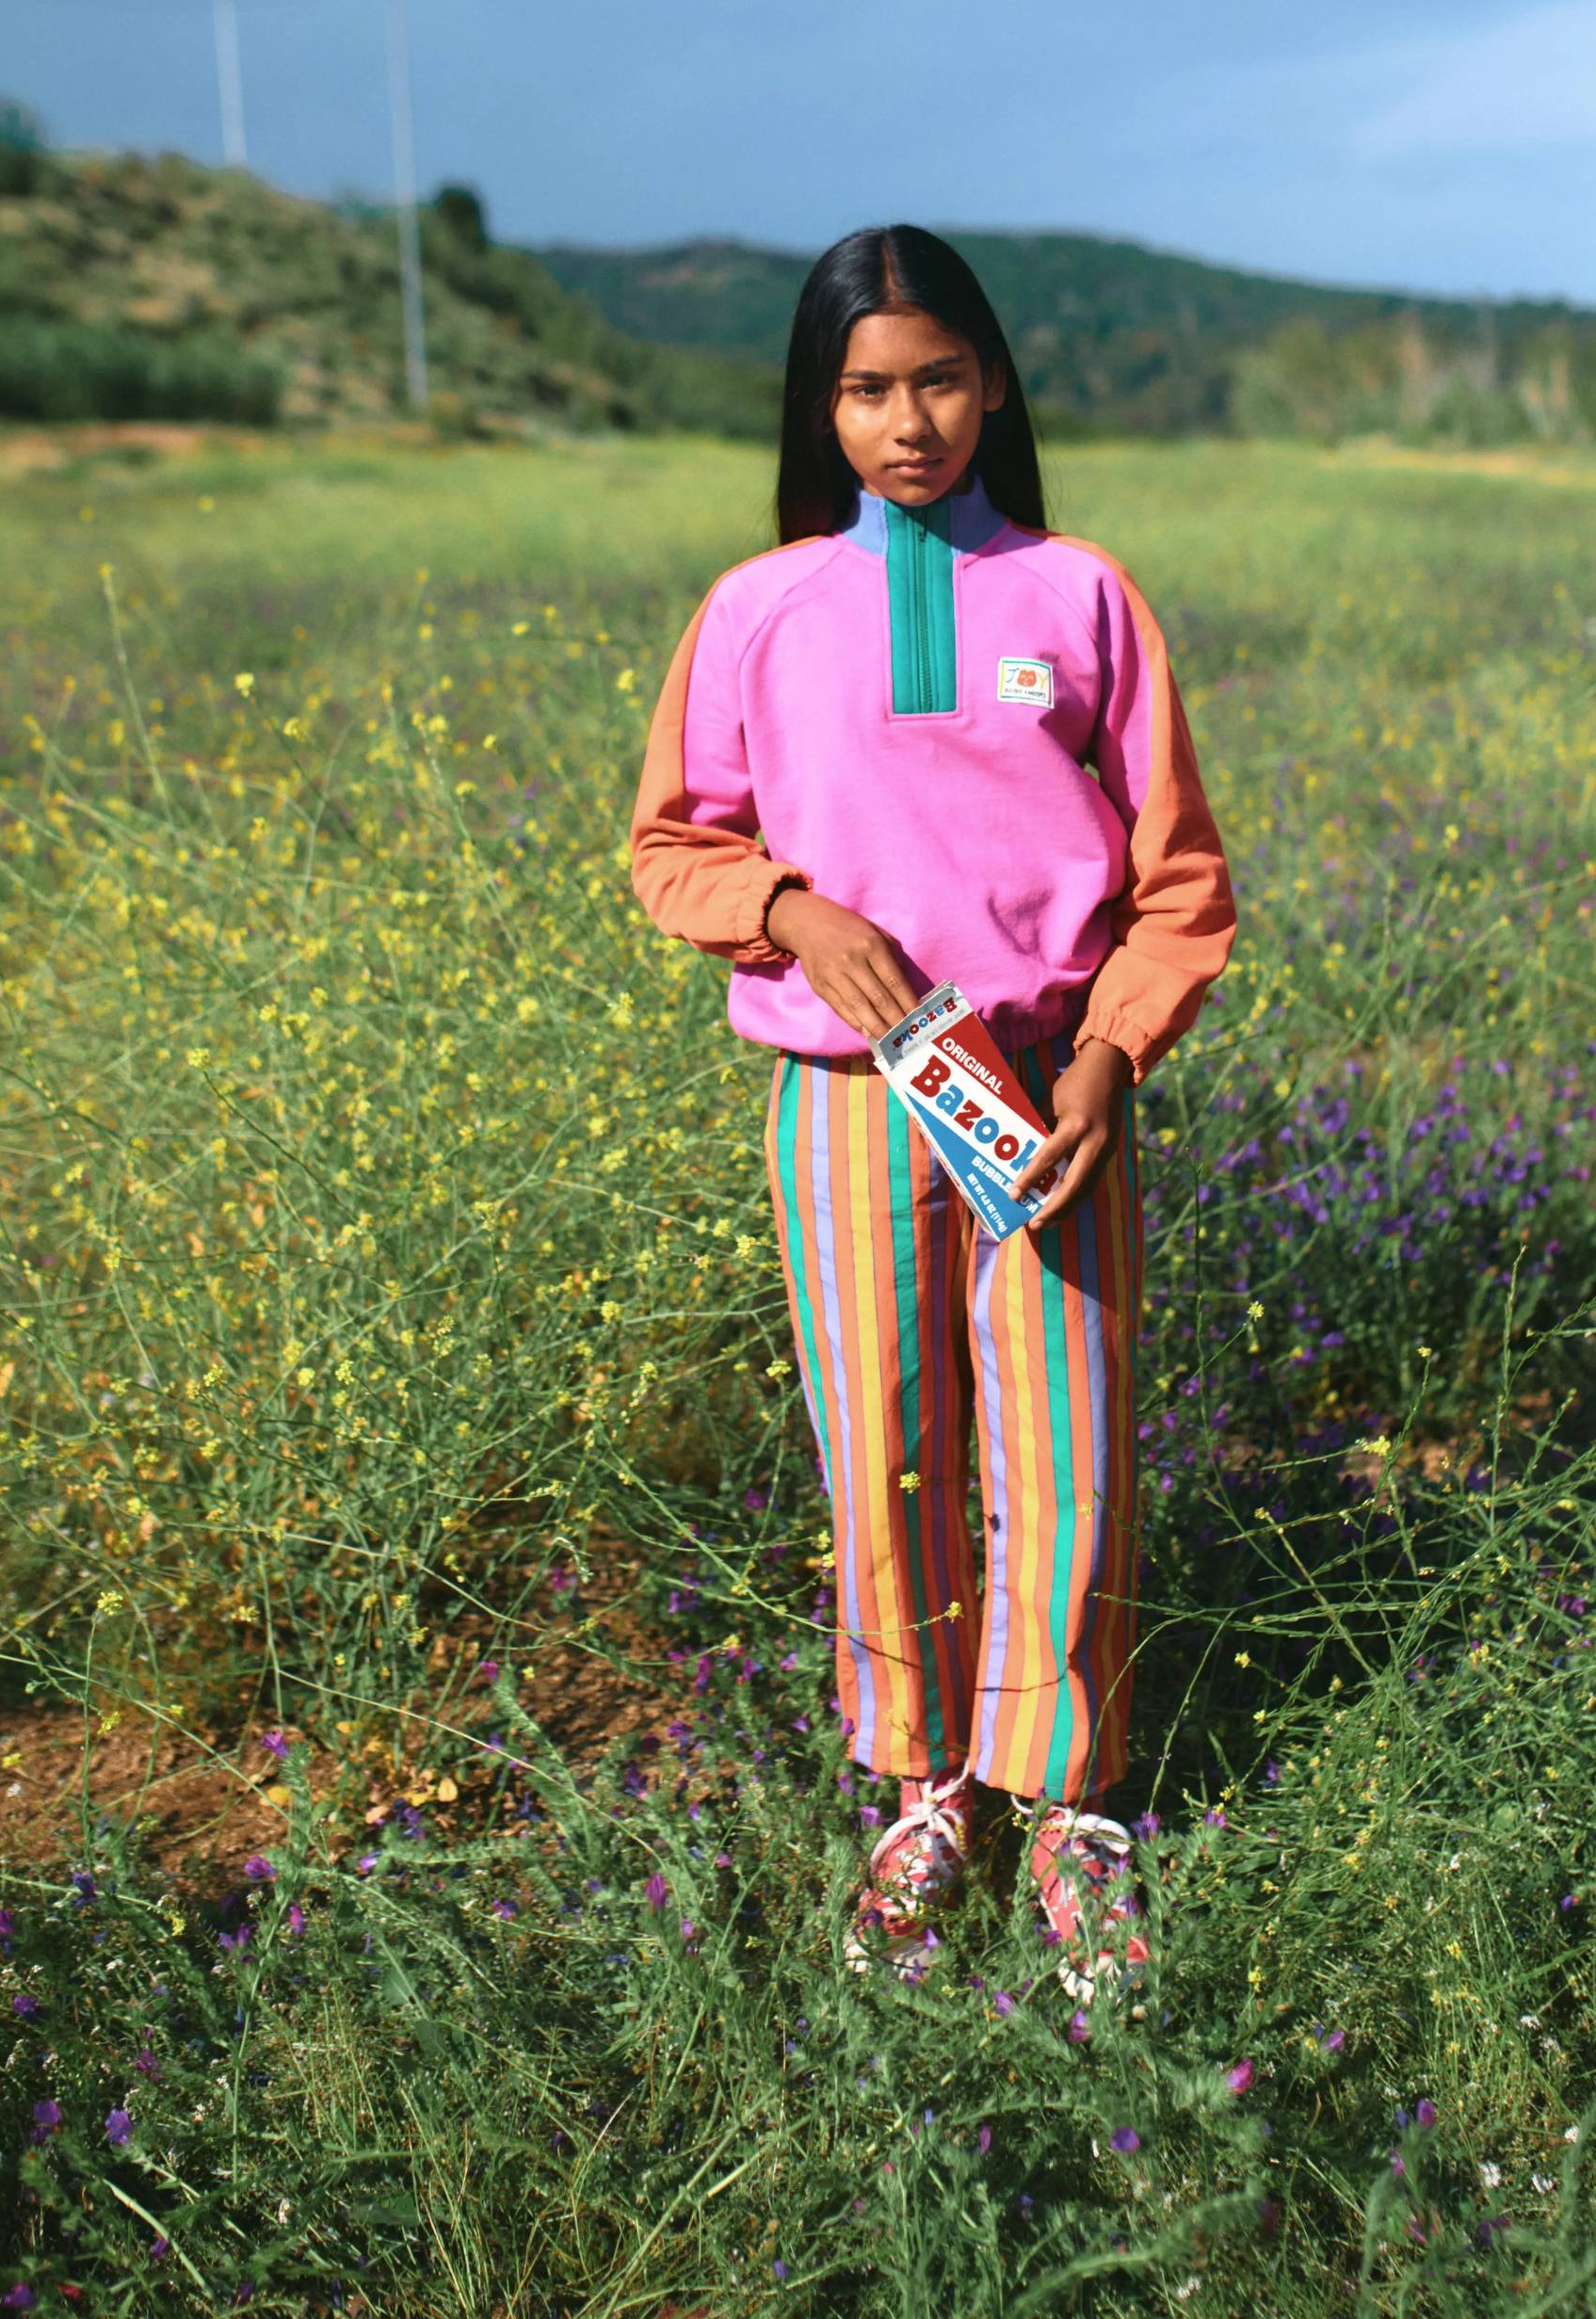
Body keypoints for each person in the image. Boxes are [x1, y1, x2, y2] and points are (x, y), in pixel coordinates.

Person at [631, 225, 1236, 1995]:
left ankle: (1070, 1805)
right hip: (846, 1099)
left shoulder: (1082, 596)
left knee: (1069, 1447)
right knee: (883, 1444)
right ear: (820, 405)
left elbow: (1178, 879)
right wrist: (793, 914)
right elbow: (677, 843)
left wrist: (1115, 1061)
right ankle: (922, 1786)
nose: (911, 424)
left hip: (1052, 1092)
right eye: (870, 389)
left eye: (943, 379)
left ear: (996, 382)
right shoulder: (761, 609)